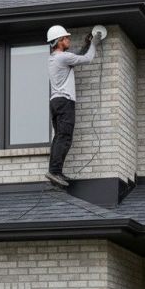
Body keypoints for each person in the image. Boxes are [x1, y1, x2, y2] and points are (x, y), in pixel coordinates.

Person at [45, 24, 97, 188]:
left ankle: (55, 171)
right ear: (59, 41)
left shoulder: (55, 58)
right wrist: (94, 43)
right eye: (66, 38)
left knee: (59, 137)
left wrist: (86, 44)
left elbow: (75, 57)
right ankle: (54, 171)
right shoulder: (62, 57)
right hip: (65, 102)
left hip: (55, 102)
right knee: (65, 137)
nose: (68, 40)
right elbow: (87, 59)